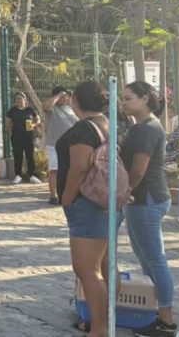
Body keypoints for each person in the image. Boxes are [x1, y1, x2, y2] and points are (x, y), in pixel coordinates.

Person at [56, 81, 118, 336]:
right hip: (104, 202)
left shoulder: (84, 128)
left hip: (87, 203)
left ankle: (100, 329)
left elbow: (79, 167)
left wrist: (67, 198)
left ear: (76, 100)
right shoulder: (107, 122)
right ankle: (105, 321)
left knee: (87, 269)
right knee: (105, 266)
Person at [120, 81, 179, 337]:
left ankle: (166, 322)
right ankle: (156, 312)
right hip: (143, 199)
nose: (123, 103)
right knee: (147, 258)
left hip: (147, 199)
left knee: (155, 259)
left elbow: (138, 170)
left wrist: (124, 193)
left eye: (128, 98)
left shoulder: (148, 128)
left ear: (145, 99)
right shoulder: (140, 127)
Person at [42, 87, 77, 205]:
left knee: (70, 170)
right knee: (54, 170)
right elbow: (46, 106)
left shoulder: (70, 108)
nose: (64, 99)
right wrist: (58, 95)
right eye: (62, 97)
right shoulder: (52, 109)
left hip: (70, 144)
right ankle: (53, 196)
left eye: (65, 96)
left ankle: (68, 194)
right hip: (54, 144)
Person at [6, 92, 41, 184]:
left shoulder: (30, 110)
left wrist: (34, 125)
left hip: (29, 137)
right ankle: (18, 175)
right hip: (16, 137)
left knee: (30, 156)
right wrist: (10, 133)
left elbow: (38, 119)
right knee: (18, 156)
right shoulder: (12, 110)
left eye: (20, 99)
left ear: (25, 100)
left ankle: (32, 175)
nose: (19, 100)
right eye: (17, 99)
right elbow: (8, 121)